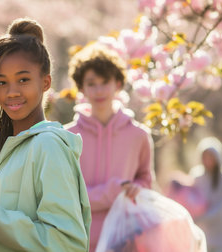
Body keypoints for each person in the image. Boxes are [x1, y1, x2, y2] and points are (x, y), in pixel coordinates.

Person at [0, 18, 91, 251]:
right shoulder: (9, 149)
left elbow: (67, 243)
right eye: (2, 82)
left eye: (23, 80)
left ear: (45, 82)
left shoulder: (49, 146)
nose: (11, 92)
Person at [65, 43, 155, 251]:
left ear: (118, 84)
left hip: (125, 239)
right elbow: (64, 194)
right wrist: (112, 192)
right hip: (77, 239)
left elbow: (146, 180)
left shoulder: (138, 135)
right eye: (91, 83)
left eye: (105, 82)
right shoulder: (65, 137)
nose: (99, 90)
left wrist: (137, 188)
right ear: (81, 88)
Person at [189, 137, 222, 252]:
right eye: (205, 156)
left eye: (211, 156)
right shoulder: (196, 175)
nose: (208, 160)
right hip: (200, 231)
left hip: (220, 233)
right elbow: (190, 198)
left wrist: (201, 218)